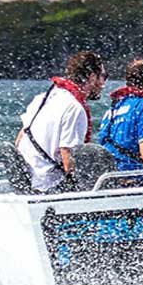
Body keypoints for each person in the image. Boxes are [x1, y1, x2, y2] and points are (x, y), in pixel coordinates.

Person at [15, 51, 107, 192]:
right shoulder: (74, 108)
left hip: (28, 183)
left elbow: (20, 140)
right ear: (92, 77)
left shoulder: (43, 98)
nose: (103, 84)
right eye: (103, 77)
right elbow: (69, 160)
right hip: (49, 187)